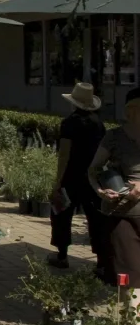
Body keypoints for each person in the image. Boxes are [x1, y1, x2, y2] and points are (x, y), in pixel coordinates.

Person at [89, 90, 140, 325]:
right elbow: (93, 170)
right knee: (129, 272)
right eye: (131, 108)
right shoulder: (114, 137)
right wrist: (101, 190)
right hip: (122, 214)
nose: (134, 112)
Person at [49, 81, 107, 274]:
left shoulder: (69, 123)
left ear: (74, 102)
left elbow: (64, 154)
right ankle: (100, 261)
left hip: (71, 176)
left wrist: (58, 182)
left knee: (62, 214)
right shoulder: (99, 124)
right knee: (96, 218)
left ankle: (62, 255)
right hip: (92, 176)